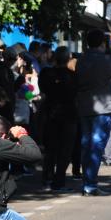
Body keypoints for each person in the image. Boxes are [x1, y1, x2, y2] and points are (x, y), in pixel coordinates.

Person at [75, 29, 111, 196]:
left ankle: (87, 183)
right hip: (103, 107)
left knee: (86, 145)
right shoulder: (106, 60)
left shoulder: (81, 60)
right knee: (97, 145)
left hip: (85, 106)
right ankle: (90, 185)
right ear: (102, 44)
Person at [38, 46, 77, 192]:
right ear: (68, 59)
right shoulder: (72, 76)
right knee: (64, 150)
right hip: (68, 114)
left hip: (50, 112)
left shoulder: (46, 73)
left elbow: (43, 89)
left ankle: (47, 178)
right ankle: (58, 181)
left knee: (51, 148)